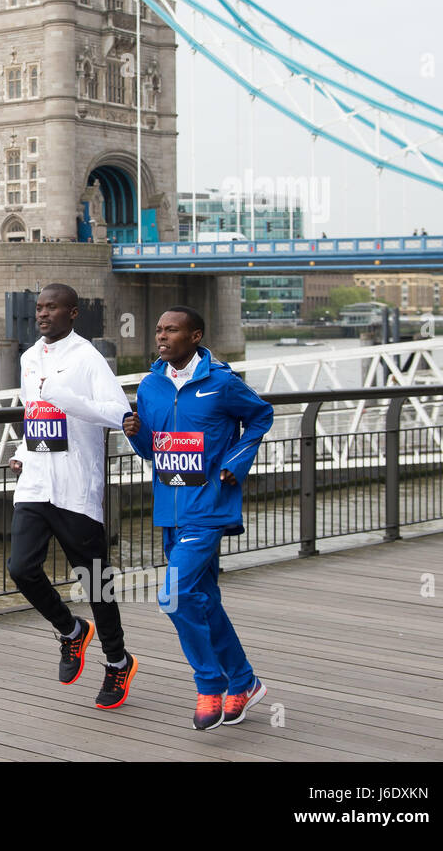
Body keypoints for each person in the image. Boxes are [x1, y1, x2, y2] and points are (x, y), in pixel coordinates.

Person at [123, 306, 273, 730]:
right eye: (158, 329)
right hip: (169, 508)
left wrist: (235, 462)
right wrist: (137, 434)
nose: (161, 336)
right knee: (203, 601)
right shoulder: (151, 386)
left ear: (195, 337)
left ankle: (210, 684)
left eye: (171, 330)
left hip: (208, 506)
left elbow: (262, 416)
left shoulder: (221, 383)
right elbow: (156, 450)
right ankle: (244, 681)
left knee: (172, 595)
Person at [8, 283, 138, 709]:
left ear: (73, 313)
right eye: (39, 308)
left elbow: (119, 414)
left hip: (76, 489)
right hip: (35, 482)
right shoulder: (28, 359)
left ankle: (118, 662)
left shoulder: (87, 359)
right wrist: (22, 451)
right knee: (21, 568)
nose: (43, 314)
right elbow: (34, 415)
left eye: (53, 308)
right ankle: (70, 631)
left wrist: (69, 399)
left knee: (96, 583)